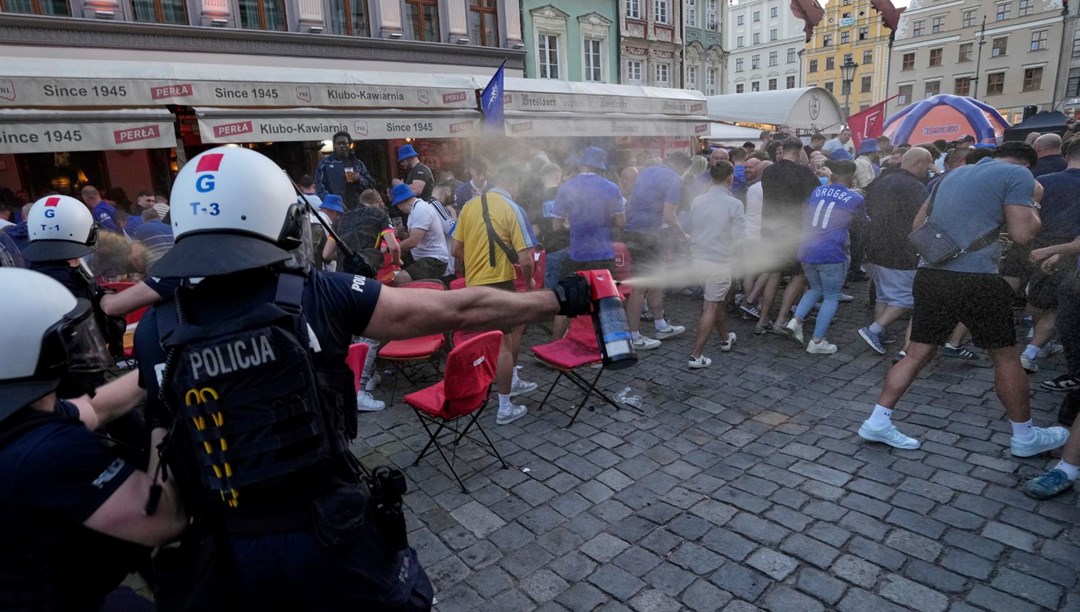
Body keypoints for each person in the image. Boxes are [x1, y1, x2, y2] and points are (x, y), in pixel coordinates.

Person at [134, 147, 593, 610]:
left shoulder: (156, 329)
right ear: (285, 221)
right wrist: (556, 299)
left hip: (228, 552)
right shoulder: (315, 295)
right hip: (329, 535)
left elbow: (164, 490)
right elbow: (459, 308)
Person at [856, 142, 1070, 456]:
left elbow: (918, 226)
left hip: (932, 273)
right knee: (1006, 358)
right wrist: (1034, 203)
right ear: (1027, 164)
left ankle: (878, 420)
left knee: (915, 353)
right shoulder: (1018, 175)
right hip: (977, 278)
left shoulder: (952, 174)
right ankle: (1025, 437)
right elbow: (1023, 234)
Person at [0, 268, 186, 611]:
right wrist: (161, 417)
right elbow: (164, 518)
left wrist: (157, 369)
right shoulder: (51, 450)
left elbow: (97, 408)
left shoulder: (18, 415)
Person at [452, 164, 542, 425]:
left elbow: (455, 250)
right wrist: (530, 280)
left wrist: (476, 262)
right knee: (503, 342)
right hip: (501, 282)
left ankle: (512, 380)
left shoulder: (469, 206)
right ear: (513, 184)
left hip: (475, 284)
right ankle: (504, 406)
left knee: (507, 333)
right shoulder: (511, 207)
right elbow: (526, 257)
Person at [781, 160, 865, 354]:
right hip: (830, 252)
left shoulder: (817, 191)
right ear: (852, 177)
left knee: (815, 288)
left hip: (806, 248)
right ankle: (817, 341)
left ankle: (796, 321)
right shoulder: (855, 198)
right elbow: (863, 222)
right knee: (831, 296)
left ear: (832, 175)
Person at [858, 148, 933, 355]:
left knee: (883, 294)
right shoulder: (916, 187)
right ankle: (874, 329)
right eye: (927, 164)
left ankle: (880, 332)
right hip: (900, 249)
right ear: (918, 163)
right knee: (907, 298)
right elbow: (923, 220)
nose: (928, 169)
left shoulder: (882, 180)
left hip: (874, 244)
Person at [551, 147, 626, 338]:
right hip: (604, 255)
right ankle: (610, 345)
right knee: (608, 303)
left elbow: (556, 225)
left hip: (576, 254)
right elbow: (620, 221)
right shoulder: (611, 187)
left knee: (566, 303)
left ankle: (555, 345)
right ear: (601, 166)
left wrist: (570, 224)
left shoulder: (567, 187)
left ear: (582, 164)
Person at [751, 137, 821, 334]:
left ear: (782, 149)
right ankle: (781, 319)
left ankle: (763, 320)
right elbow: (816, 195)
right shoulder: (803, 172)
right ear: (799, 152)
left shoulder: (768, 171)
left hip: (770, 228)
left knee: (774, 273)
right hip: (793, 231)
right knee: (799, 275)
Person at [622, 151, 691, 350]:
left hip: (636, 231)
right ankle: (634, 336)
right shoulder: (675, 179)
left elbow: (631, 200)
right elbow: (669, 214)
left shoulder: (647, 171)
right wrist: (682, 235)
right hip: (645, 235)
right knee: (640, 285)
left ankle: (661, 325)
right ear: (681, 166)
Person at [687, 161, 744, 368]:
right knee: (710, 305)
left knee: (715, 299)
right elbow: (738, 239)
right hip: (719, 261)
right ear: (730, 178)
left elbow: (693, 227)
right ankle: (696, 356)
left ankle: (725, 338)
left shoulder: (697, 201)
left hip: (698, 259)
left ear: (711, 177)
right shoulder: (734, 204)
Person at [390, 183, 449, 283]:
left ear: (400, 203)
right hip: (424, 257)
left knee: (400, 279)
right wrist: (403, 235)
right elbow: (414, 237)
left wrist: (391, 249)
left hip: (434, 260)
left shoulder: (421, 209)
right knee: (394, 272)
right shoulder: (414, 210)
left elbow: (413, 242)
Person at [315, 131, 375, 211]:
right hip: (336, 210)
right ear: (334, 145)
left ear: (349, 145)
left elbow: (369, 186)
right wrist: (334, 204)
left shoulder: (357, 163)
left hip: (357, 209)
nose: (341, 146)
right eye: (338, 143)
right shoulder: (325, 164)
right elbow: (320, 188)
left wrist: (359, 179)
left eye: (344, 143)